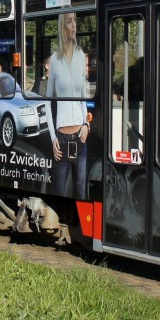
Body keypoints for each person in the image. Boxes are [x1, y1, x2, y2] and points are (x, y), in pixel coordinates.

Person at [46, 11, 89, 198]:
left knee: (81, 192)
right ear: (63, 27)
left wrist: (87, 125)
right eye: (70, 21)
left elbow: (83, 97)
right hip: (61, 140)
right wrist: (52, 137)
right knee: (58, 192)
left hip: (80, 137)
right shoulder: (55, 60)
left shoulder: (81, 57)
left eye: (75, 21)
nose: (74, 26)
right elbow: (47, 101)